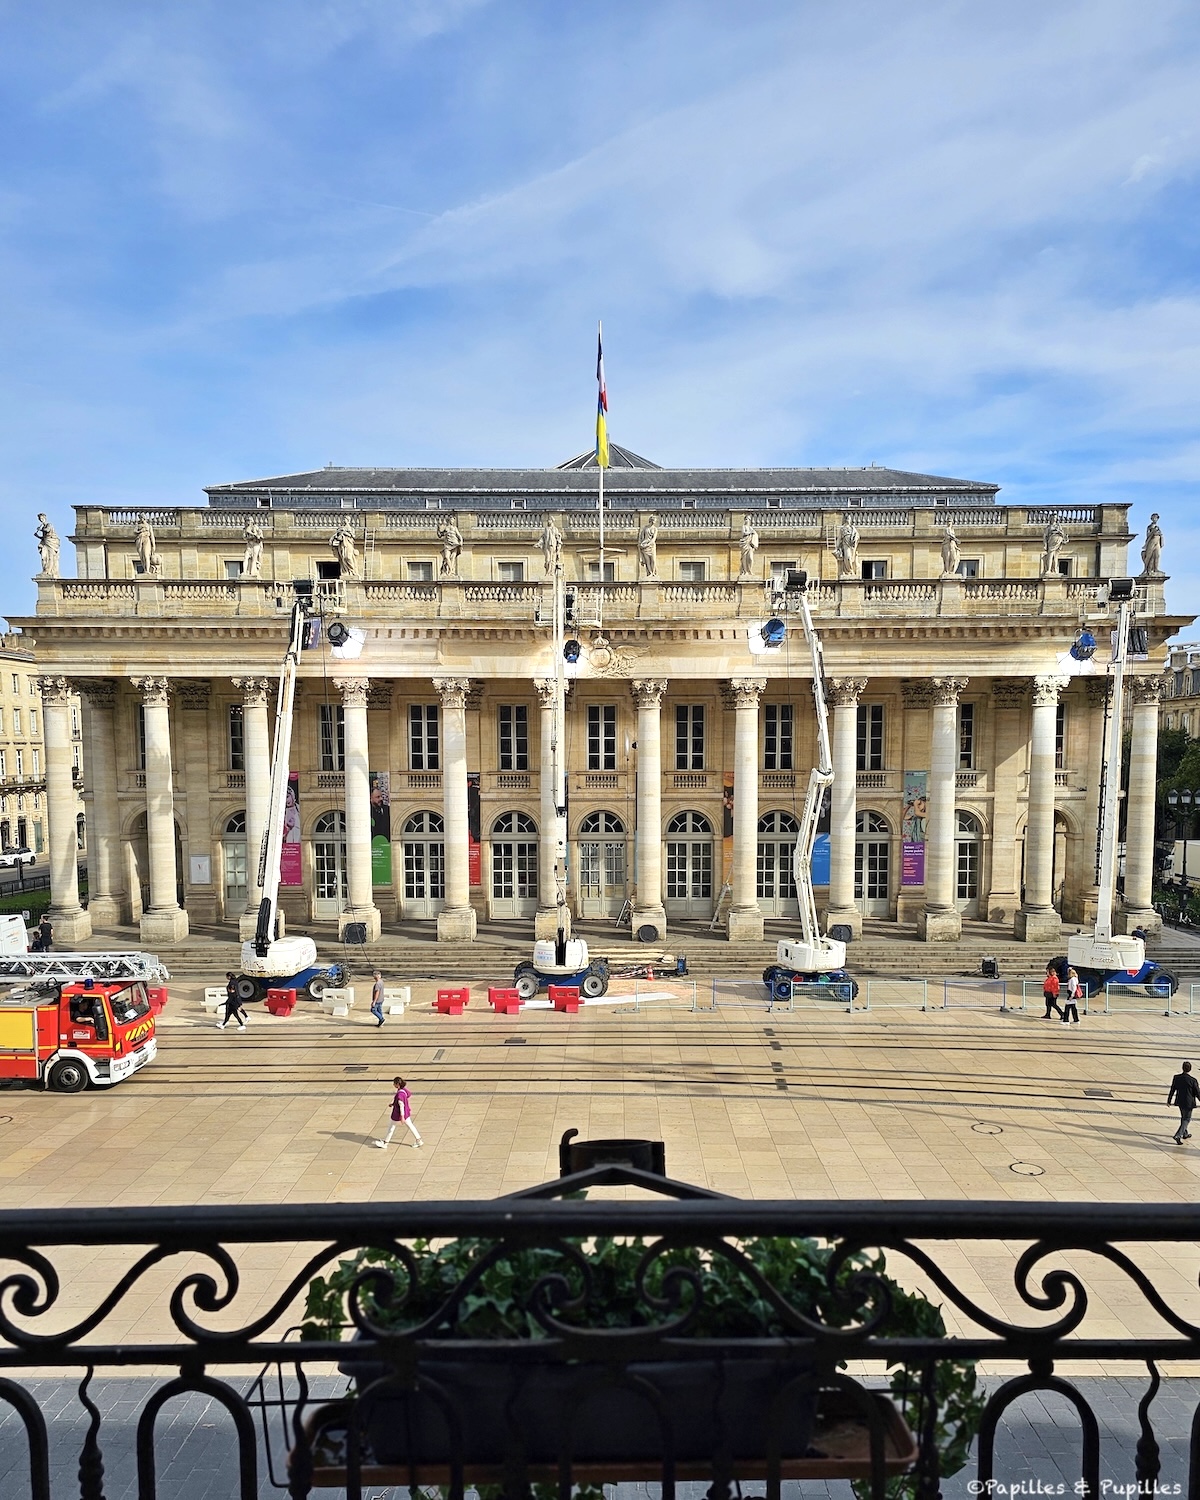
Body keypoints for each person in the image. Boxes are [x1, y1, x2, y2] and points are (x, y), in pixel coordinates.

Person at [374, 1076, 423, 1148]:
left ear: (397, 1084)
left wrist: (402, 1117)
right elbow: (408, 1095)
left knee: (391, 1128)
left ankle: (385, 1143)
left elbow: (401, 1105)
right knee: (410, 1125)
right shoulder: (403, 1090)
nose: (393, 1085)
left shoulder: (400, 1095)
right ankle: (419, 1140)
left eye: (394, 1083)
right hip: (406, 1112)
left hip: (397, 1114)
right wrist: (393, 1104)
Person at [1168, 1060, 1200, 1144]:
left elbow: (1172, 1089)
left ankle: (1185, 1133)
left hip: (1180, 1101)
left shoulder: (1177, 1078)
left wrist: (1169, 1100)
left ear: (1182, 1068)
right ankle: (1178, 1135)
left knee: (1183, 1117)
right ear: (1190, 1069)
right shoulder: (1193, 1080)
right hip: (1189, 1103)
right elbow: (1197, 1092)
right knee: (1187, 1119)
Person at [1140, 513, 1164, 577]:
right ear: (1151, 519)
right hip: (1152, 541)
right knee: (1149, 555)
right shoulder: (1149, 527)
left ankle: (1156, 569)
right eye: (1154, 518)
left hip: (1157, 541)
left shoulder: (1158, 527)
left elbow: (1161, 535)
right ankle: (1146, 569)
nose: (1155, 519)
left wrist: (1162, 539)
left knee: (1157, 555)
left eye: (1156, 518)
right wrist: (1153, 531)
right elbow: (1148, 535)